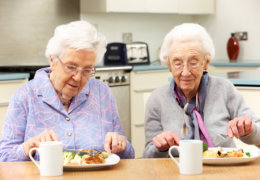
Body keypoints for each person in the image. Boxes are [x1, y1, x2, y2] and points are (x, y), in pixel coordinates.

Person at [0, 20, 134, 161]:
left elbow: (129, 155)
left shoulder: (102, 93)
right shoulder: (24, 97)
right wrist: (28, 147)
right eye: (71, 66)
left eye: (87, 69)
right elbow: (4, 158)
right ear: (53, 60)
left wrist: (121, 145)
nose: (78, 77)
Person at [143, 23, 260, 158]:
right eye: (177, 63)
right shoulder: (157, 99)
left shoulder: (224, 89)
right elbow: (148, 156)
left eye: (193, 63)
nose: (185, 72)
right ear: (169, 65)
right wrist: (160, 148)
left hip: (224, 173)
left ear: (206, 62)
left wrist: (249, 129)